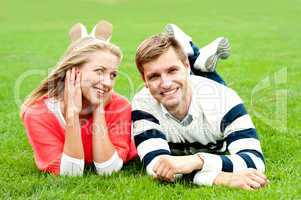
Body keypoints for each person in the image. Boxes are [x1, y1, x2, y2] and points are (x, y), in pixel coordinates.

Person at [132, 24, 268, 190]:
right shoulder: (143, 103)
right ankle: (192, 51)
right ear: (144, 80)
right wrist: (220, 178)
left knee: (208, 94)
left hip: (207, 96)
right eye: (154, 76)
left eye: (172, 70)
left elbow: (254, 160)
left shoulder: (224, 99)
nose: (165, 83)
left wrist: (197, 160)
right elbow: (156, 167)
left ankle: (192, 51)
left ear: (186, 67)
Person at [20, 20, 137, 176]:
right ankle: (86, 40)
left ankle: (88, 41)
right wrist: (72, 114)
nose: (108, 82)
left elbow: (109, 170)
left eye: (113, 74)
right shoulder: (37, 114)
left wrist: (98, 110)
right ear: (73, 71)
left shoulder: (120, 106)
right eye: (99, 71)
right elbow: (70, 173)